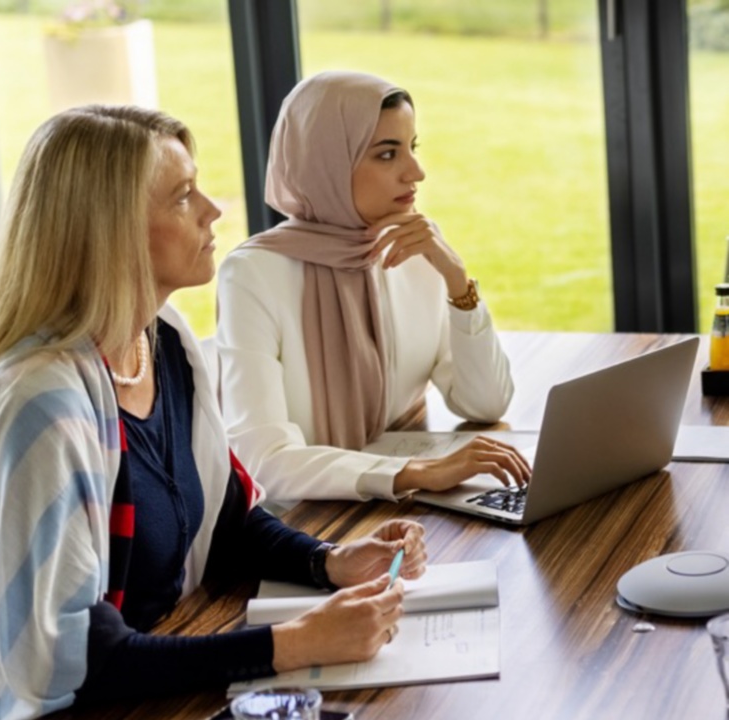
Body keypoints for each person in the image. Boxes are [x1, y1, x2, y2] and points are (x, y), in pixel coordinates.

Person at [0, 104, 427, 720]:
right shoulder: (40, 405)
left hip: (144, 715)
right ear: (109, 232)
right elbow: (71, 657)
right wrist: (291, 646)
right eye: (183, 197)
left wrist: (330, 562)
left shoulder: (163, 343)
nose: (213, 212)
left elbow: (224, 519)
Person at [216, 71, 531, 511]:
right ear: (326, 162)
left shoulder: (415, 247)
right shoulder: (253, 275)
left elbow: (484, 402)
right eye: (387, 154)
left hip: (401, 505)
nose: (416, 172)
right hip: (303, 523)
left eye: (412, 148)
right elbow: (262, 461)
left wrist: (458, 281)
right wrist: (415, 474)